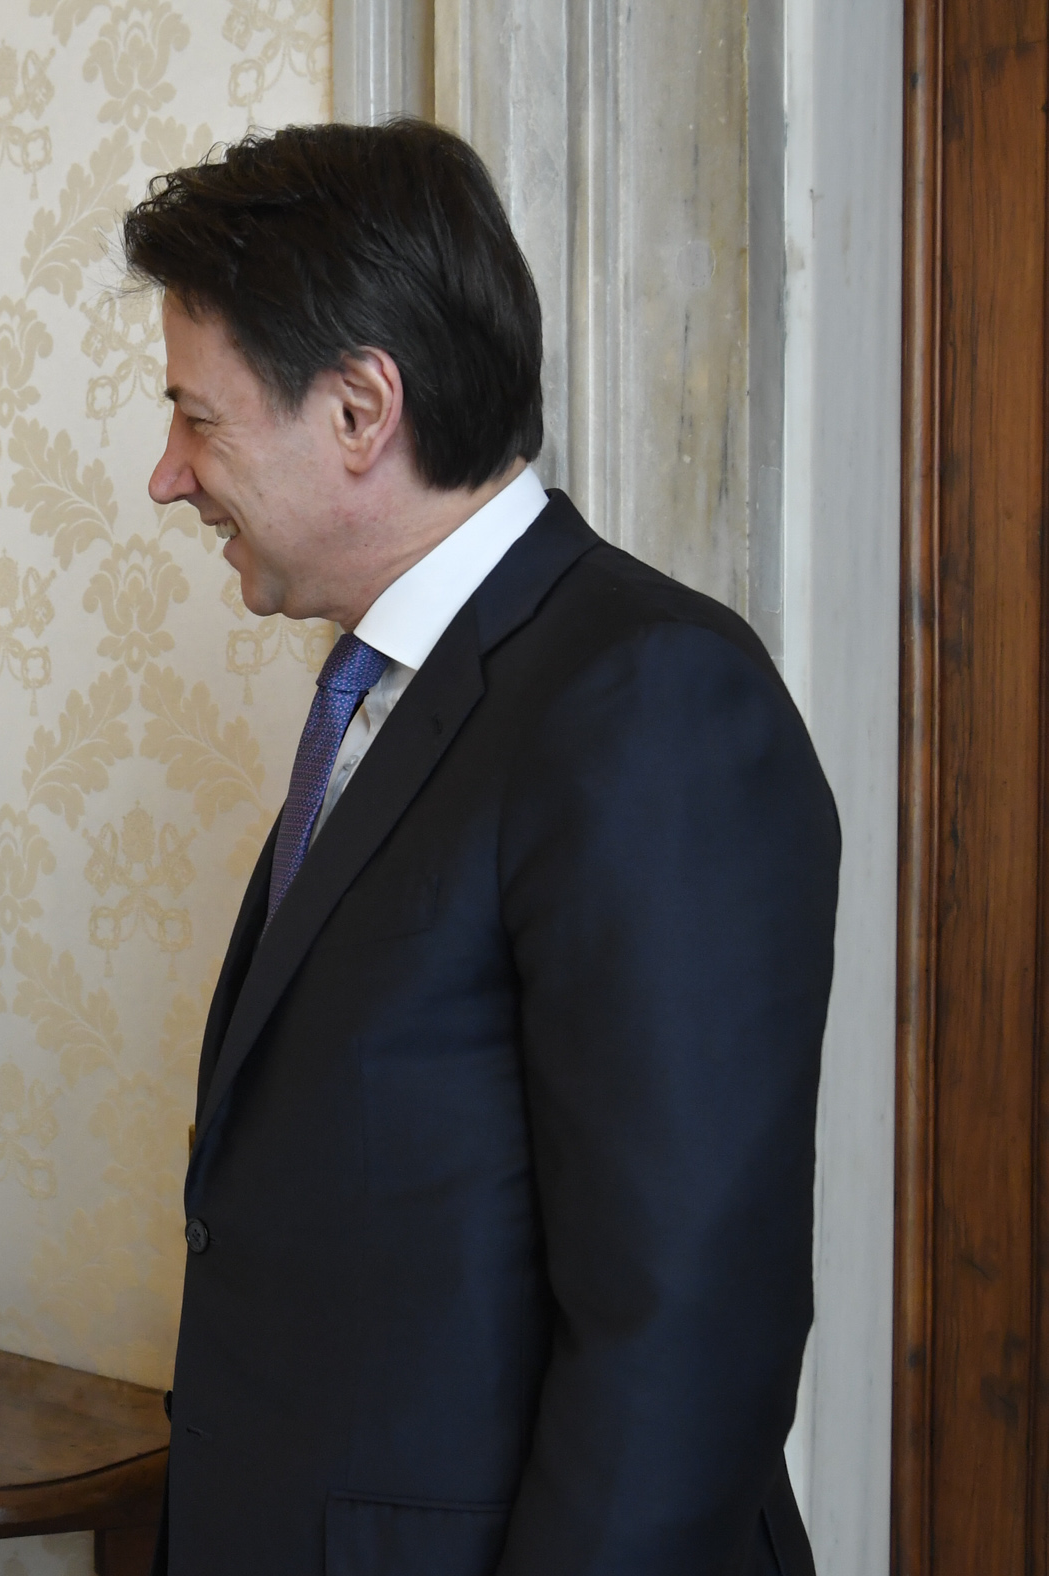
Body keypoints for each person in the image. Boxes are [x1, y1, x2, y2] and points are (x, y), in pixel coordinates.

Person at [126, 122, 834, 1575]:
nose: (167, 476)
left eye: (197, 417)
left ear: (357, 409)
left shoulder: (647, 700)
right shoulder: (384, 692)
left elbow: (682, 1336)